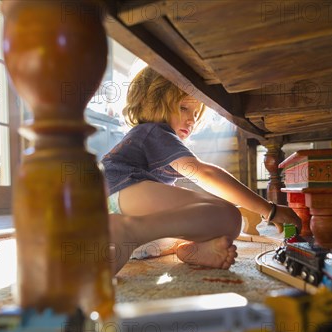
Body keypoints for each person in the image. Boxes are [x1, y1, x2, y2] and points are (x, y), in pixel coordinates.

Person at [101, 67, 302, 274]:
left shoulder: (144, 138)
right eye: (184, 108)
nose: (192, 120)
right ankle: (130, 231)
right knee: (228, 216)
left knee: (203, 221)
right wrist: (270, 210)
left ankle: (188, 249)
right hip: (120, 195)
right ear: (154, 101)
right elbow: (204, 174)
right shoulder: (155, 131)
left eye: (196, 113)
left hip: (110, 209)